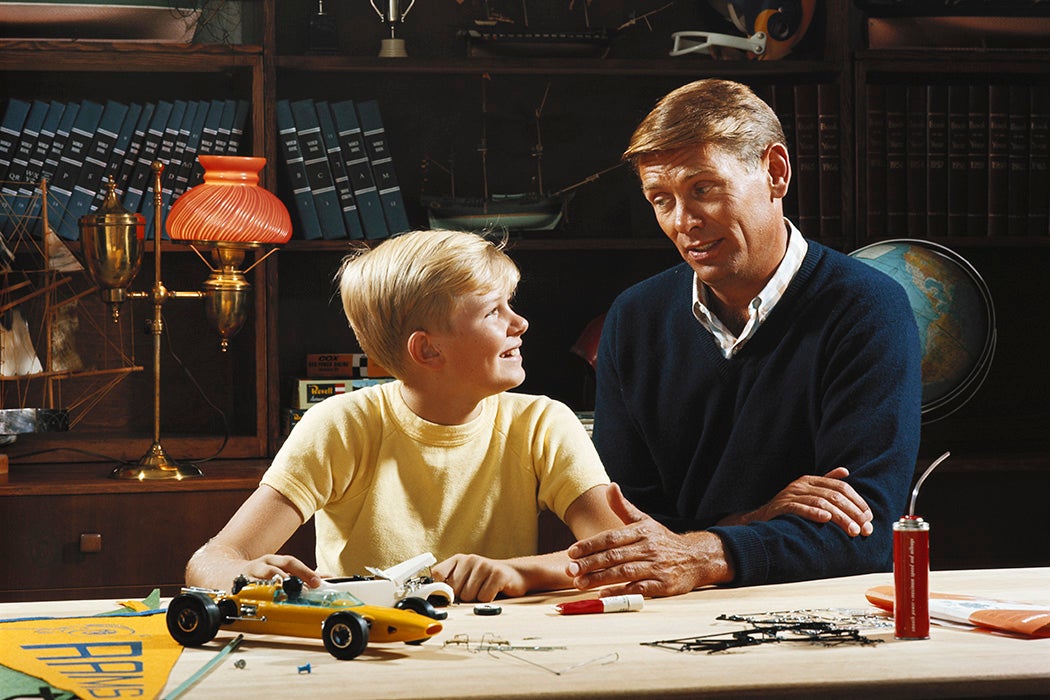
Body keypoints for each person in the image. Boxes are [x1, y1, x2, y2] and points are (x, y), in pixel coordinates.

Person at [565, 79, 922, 597]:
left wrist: (700, 551)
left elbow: (865, 534)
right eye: (660, 199)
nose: (683, 222)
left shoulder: (867, 308)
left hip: (825, 612)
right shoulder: (634, 319)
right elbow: (630, 533)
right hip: (666, 614)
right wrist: (755, 521)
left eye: (703, 189)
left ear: (775, 172)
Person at [186, 229, 623, 602]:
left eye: (510, 303)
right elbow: (209, 561)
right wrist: (239, 576)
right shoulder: (340, 425)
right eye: (494, 311)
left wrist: (519, 572)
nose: (520, 322)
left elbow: (621, 553)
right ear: (428, 349)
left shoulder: (544, 423)